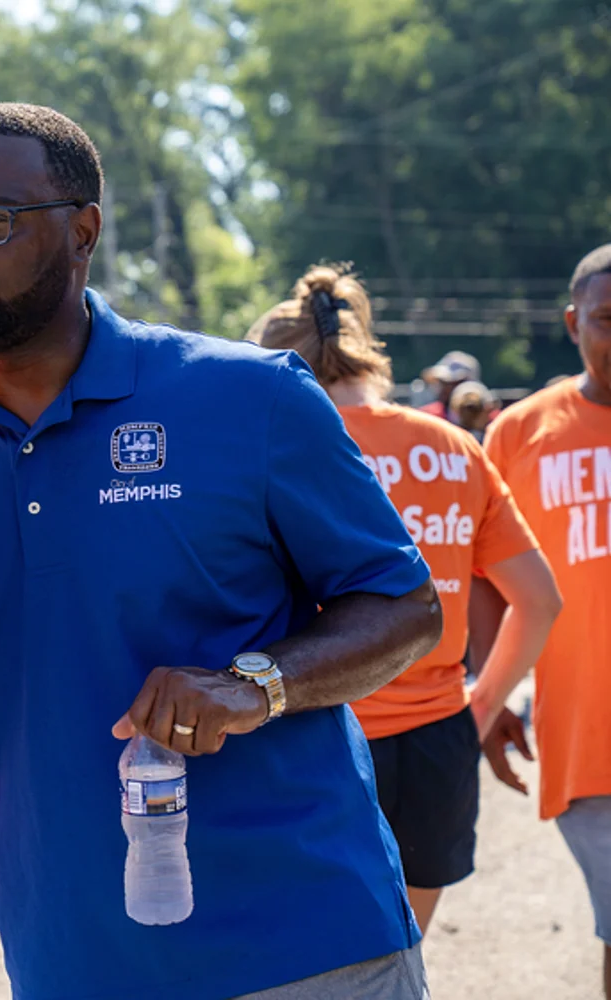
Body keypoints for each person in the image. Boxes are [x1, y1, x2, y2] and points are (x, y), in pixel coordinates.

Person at [0, 103, 443, 1000]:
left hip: (310, 948)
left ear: (83, 232)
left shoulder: (248, 399)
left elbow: (408, 607)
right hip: (73, 967)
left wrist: (251, 684)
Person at [248, 265, 562, 935]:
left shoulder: (282, 442)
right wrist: (479, 705)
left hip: (315, 733)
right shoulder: (452, 446)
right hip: (439, 738)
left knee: (315, 959)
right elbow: (538, 600)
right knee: (402, 955)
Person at [479, 243, 611, 998]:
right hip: (587, 732)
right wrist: (490, 693)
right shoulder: (521, 434)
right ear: (572, 323)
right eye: (606, 319)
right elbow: (486, 581)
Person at [420, 350, 481, 421]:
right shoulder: (427, 416)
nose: (446, 389)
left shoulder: (489, 420)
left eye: (455, 383)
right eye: (443, 382)